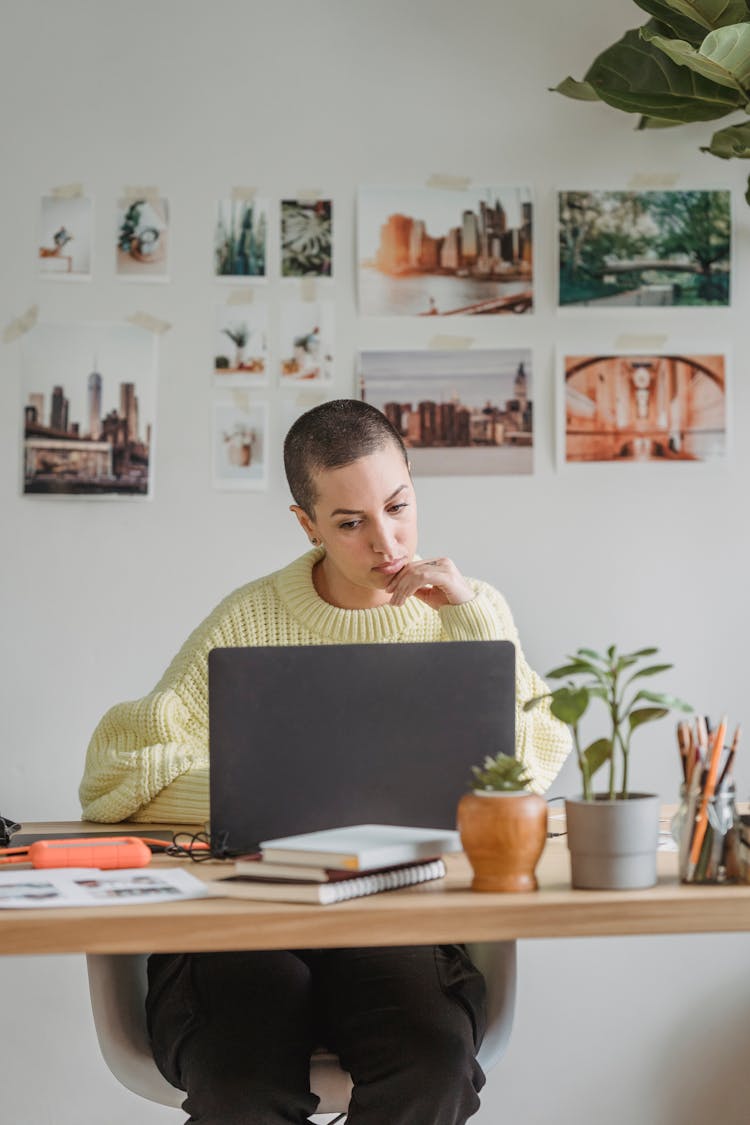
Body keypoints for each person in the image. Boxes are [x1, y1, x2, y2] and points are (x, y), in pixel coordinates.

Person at [79, 399, 571, 1125]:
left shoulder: (471, 609)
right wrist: (267, 796)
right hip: (248, 920)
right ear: (306, 523)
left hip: (400, 917)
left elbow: (528, 770)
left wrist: (471, 619)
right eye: (350, 522)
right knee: (238, 1075)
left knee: (431, 1062)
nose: (388, 541)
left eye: (398, 506)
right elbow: (115, 772)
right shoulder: (249, 619)